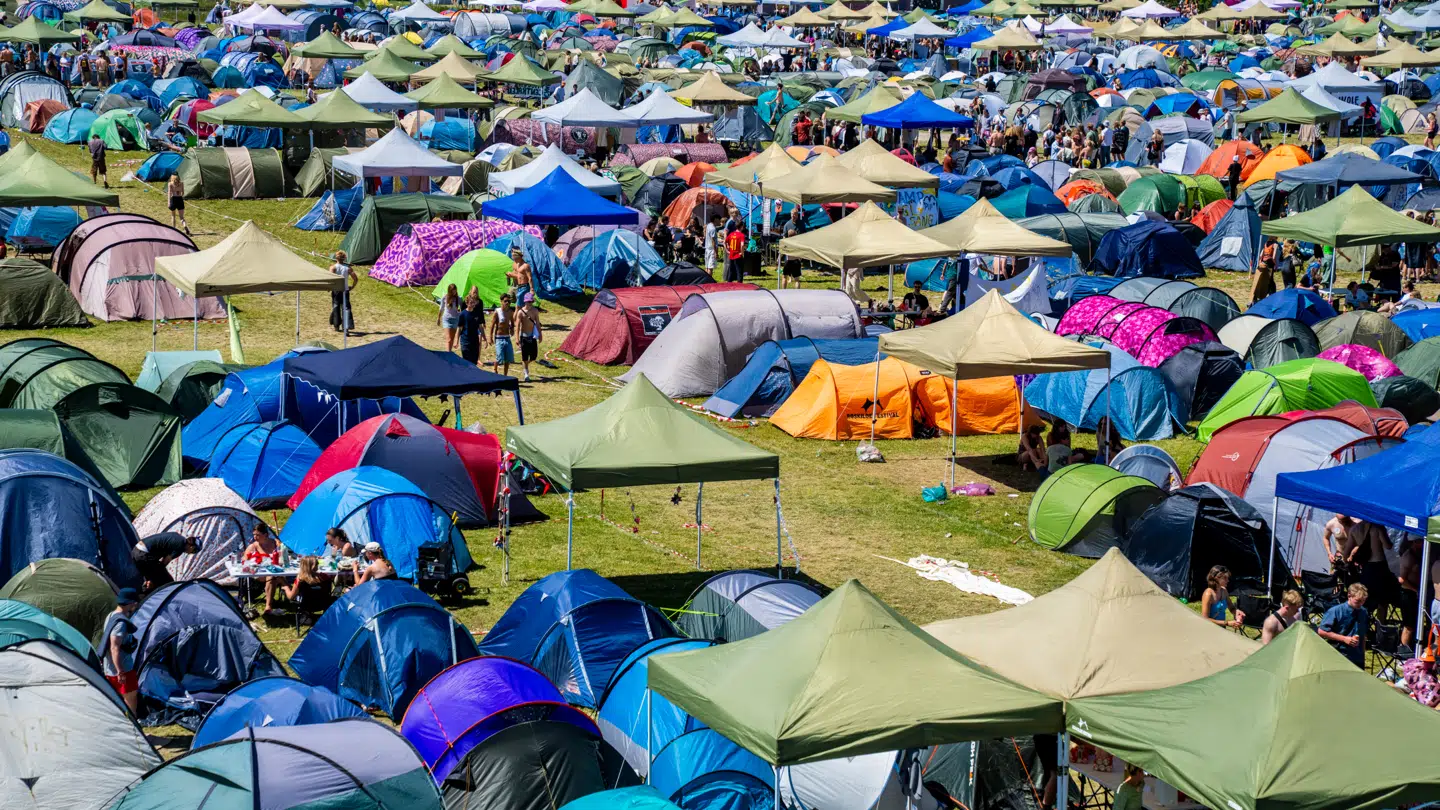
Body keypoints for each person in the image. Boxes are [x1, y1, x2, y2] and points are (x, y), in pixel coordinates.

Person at [103, 588, 141, 715]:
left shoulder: (110, 616)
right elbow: (114, 647)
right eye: (135, 603)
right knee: (131, 699)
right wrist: (120, 671)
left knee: (115, 703)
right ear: (131, 603)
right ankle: (133, 726)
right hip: (122, 669)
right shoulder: (121, 623)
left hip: (109, 668)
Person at [1318, 583, 1369, 667]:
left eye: (1363, 601)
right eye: (1358, 601)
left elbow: (1363, 635)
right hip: (1339, 653)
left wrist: (1362, 655)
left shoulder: (1363, 612)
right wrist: (1344, 639)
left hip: (1357, 656)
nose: (1360, 604)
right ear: (1349, 596)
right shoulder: (1335, 611)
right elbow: (1321, 631)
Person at [131, 533, 199, 594]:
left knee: (153, 578)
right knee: (167, 582)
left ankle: (142, 595)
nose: (191, 553)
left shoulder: (178, 537)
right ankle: (148, 597)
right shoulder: (181, 546)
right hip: (144, 554)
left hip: (136, 550)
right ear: (192, 547)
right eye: (194, 551)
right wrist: (157, 575)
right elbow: (164, 562)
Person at [242, 524, 283, 615]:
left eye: (258, 535)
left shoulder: (275, 543)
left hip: (275, 571)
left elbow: (283, 555)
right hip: (258, 574)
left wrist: (280, 548)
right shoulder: (253, 546)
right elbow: (244, 561)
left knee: (273, 576)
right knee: (272, 577)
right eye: (254, 535)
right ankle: (270, 605)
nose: (255, 537)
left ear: (266, 535)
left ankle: (270, 606)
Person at [280, 556, 332, 622]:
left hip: (306, 605)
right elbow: (329, 590)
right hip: (323, 604)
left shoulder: (301, 580)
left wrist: (286, 587)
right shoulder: (325, 577)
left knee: (290, 589)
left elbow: (291, 597)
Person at [1200, 565, 1244, 629]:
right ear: (1216, 578)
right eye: (1225, 578)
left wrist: (1237, 612)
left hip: (1222, 628)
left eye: (1227, 578)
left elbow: (1231, 608)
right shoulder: (1208, 594)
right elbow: (1205, 619)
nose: (1228, 580)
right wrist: (1227, 623)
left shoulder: (1224, 590)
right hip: (1210, 629)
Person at [329, 251, 357, 333]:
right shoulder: (348, 268)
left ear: (336, 258)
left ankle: (336, 326)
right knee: (346, 308)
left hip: (336, 290)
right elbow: (355, 279)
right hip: (345, 290)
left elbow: (330, 279)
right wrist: (352, 287)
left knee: (336, 307)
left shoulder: (333, 267)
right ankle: (346, 328)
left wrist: (329, 287)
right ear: (344, 258)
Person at [517, 293, 542, 382]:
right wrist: (517, 338)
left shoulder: (535, 311)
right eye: (528, 302)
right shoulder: (520, 312)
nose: (530, 303)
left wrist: (540, 334)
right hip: (523, 337)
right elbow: (517, 326)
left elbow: (538, 323)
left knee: (533, 356)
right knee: (525, 356)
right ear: (525, 302)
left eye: (531, 302)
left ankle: (525, 365)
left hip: (532, 336)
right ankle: (526, 373)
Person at [489, 293, 516, 376]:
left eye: (509, 301)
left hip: (507, 337)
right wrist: (490, 337)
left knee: (508, 358)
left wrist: (512, 329)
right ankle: (495, 369)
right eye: (505, 301)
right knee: (499, 357)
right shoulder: (497, 312)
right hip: (499, 338)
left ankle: (505, 375)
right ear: (501, 301)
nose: (507, 303)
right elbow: (492, 325)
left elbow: (512, 323)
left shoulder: (510, 312)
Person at [780, 208, 805, 288]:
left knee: (795, 279)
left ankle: (793, 292)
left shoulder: (801, 224)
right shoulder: (787, 225)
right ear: (790, 215)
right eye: (792, 215)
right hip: (790, 255)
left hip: (797, 252)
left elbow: (804, 236)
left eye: (795, 215)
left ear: (797, 215)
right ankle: (784, 291)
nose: (793, 216)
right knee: (786, 277)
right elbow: (784, 238)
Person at [457, 293, 485, 366]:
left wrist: (484, 337)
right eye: (471, 303)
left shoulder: (477, 313)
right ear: (467, 303)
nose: (472, 304)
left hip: (475, 341)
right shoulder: (462, 314)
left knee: (474, 362)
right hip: (465, 341)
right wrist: (456, 341)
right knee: (466, 362)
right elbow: (459, 328)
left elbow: (480, 326)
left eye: (473, 302)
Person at [438, 283, 462, 353]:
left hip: (455, 319)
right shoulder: (445, 297)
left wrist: (460, 315)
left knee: (452, 339)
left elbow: (463, 308)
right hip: (447, 319)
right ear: (449, 291)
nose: (454, 292)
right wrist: (438, 318)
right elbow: (441, 308)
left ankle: (450, 352)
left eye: (455, 290)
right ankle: (448, 353)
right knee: (448, 339)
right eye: (452, 291)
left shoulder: (459, 298)